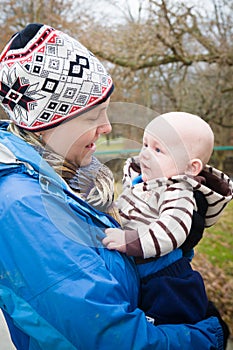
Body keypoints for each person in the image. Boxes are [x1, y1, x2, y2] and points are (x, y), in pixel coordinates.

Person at [0, 23, 228, 350]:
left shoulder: (65, 181)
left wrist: (170, 250)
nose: (107, 127)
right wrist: (207, 338)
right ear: (54, 121)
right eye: (94, 116)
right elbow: (110, 338)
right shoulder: (24, 206)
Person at [103, 112, 233, 325]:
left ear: (191, 168)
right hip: (143, 269)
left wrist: (130, 241)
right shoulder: (142, 181)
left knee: (167, 325)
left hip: (165, 279)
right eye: (145, 144)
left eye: (158, 150)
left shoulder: (178, 190)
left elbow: (171, 230)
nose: (145, 154)